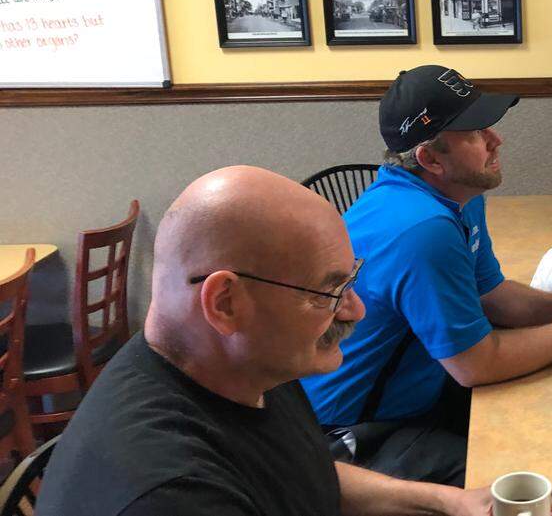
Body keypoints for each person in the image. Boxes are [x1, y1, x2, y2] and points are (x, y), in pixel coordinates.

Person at [37, 166, 492, 516]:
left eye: (350, 281)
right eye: (329, 292)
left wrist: (448, 502)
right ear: (226, 303)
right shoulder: (172, 494)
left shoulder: (244, 367)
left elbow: (305, 473)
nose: (356, 310)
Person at [302, 65, 552, 486]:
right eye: (476, 132)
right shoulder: (424, 229)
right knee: (530, 480)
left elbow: (492, 295)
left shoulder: (457, 195)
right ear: (430, 159)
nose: (497, 139)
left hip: (422, 386)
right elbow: (475, 364)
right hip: (354, 430)